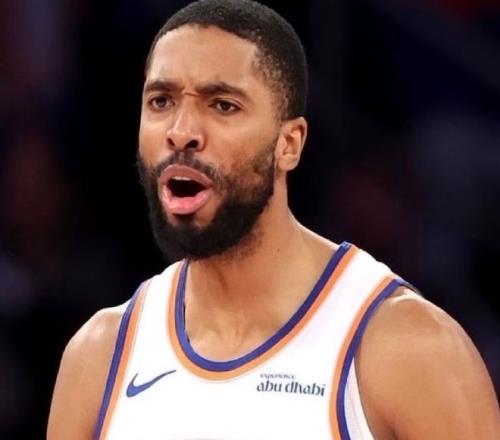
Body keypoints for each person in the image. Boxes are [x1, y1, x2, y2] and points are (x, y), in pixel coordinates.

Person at [47, 0, 500, 438]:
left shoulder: (407, 348)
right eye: (161, 101)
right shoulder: (99, 357)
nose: (181, 132)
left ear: (289, 144)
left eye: (223, 105)